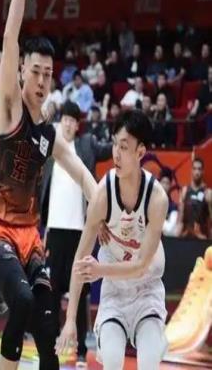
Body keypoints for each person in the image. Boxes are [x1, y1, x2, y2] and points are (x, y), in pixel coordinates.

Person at [0, 0, 96, 370]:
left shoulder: (49, 132)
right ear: (22, 71)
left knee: (48, 332)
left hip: (32, 239)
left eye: (48, 74)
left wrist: (106, 204)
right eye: (36, 71)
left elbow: (80, 172)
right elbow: (10, 37)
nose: (42, 80)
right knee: (23, 301)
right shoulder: (9, 109)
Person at [56, 110, 169, 370]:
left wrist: (100, 270)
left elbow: (140, 266)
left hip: (147, 289)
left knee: (149, 362)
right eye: (115, 144)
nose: (116, 154)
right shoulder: (102, 195)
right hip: (115, 293)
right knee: (113, 359)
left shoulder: (157, 199)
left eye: (124, 147)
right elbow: (80, 259)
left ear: (140, 152)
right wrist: (70, 319)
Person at [40, 101, 112, 367]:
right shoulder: (51, 149)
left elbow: (108, 149)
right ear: (60, 122)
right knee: (51, 292)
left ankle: (81, 350)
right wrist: (44, 230)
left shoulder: (86, 145)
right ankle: (51, 347)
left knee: (79, 293)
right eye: (65, 120)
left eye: (73, 120)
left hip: (81, 232)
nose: (69, 124)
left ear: (78, 125)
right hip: (55, 231)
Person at [176, 157, 212, 239]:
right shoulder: (184, 191)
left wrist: (210, 204)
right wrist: (177, 237)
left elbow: (210, 221)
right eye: (195, 169)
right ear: (191, 170)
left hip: (202, 238)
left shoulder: (208, 192)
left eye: (199, 169)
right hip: (186, 237)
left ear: (203, 171)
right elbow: (180, 218)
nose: (197, 172)